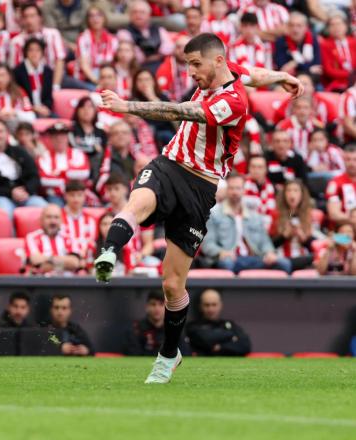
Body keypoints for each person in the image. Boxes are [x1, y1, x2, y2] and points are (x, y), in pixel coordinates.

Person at [93, 33, 302, 383]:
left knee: (173, 285)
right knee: (138, 200)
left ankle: (168, 355)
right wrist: (281, 76)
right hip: (169, 164)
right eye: (187, 64)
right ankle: (109, 252)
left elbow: (180, 110)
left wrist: (127, 106)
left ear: (217, 61)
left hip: (201, 187)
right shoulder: (231, 69)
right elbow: (255, 72)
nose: (190, 72)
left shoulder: (233, 101)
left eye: (195, 64)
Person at [203, 173, 292, 274]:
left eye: (238, 188)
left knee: (284, 264)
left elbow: (265, 242)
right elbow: (208, 244)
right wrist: (221, 252)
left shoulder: (254, 216)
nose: (235, 192)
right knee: (227, 264)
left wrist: (269, 253)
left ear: (244, 190)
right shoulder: (214, 214)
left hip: (254, 258)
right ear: (227, 190)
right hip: (230, 258)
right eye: (231, 188)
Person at [0, 119, 46, 219]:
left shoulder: (19, 151)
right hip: (1, 196)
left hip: (25, 194)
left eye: (1, 131)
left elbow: (34, 176)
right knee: (5, 214)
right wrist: (10, 192)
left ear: (7, 133)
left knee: (44, 208)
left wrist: (26, 190)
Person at [9, 4, 69, 91]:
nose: (29, 20)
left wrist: (55, 86)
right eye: (25, 17)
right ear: (22, 20)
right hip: (28, 84)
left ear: (40, 17)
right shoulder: (16, 42)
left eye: (32, 16)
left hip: (56, 78)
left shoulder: (53, 34)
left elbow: (60, 61)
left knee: (89, 90)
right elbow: (16, 70)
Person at [37, 122, 90, 206]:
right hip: (55, 196)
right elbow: (43, 179)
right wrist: (68, 177)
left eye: (62, 135)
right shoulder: (44, 156)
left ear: (67, 137)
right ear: (50, 138)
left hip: (76, 194)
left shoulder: (78, 154)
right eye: (55, 136)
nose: (59, 139)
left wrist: (61, 173)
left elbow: (84, 172)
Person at [186, 289, 252, 356]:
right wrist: (231, 336)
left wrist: (220, 347)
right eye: (207, 305)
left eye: (214, 305)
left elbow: (245, 345)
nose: (210, 309)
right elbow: (207, 340)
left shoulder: (230, 325)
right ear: (200, 306)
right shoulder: (192, 326)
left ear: (220, 305)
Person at [25, 204, 84, 275]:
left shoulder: (70, 237)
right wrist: (65, 263)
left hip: (68, 283)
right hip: (41, 282)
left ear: (61, 220)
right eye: (48, 217)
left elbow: (74, 263)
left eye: (56, 217)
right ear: (41, 219)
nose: (53, 221)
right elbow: (35, 260)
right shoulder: (32, 237)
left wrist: (47, 260)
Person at [270, 180, 315, 272]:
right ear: (284, 194)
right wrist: (284, 236)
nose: (292, 194)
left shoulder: (310, 215)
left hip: (304, 258)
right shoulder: (275, 215)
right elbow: (269, 245)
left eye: (295, 190)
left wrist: (303, 237)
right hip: (282, 259)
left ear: (302, 194)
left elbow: (315, 246)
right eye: (288, 190)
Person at [118, 0, 173, 73]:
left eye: (142, 12)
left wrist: (149, 56)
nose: (138, 15)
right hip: (137, 70)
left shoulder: (159, 30)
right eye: (135, 12)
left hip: (161, 67)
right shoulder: (124, 33)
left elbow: (169, 48)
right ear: (130, 16)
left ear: (149, 15)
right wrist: (157, 55)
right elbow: (136, 57)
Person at [131, 68, 175, 148]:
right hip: (146, 135)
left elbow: (170, 117)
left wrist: (152, 97)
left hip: (166, 134)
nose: (144, 83)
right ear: (135, 84)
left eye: (147, 79)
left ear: (153, 81)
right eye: (140, 80)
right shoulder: (133, 101)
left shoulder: (162, 97)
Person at [74, 6, 118, 86]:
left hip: (108, 78)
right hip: (87, 79)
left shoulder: (113, 39)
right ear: (87, 20)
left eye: (99, 15)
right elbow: (84, 66)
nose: (95, 19)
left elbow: (115, 64)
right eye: (91, 16)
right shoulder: (83, 38)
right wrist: (98, 82)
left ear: (104, 18)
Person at [14, 38, 54, 118]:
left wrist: (45, 107)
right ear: (25, 52)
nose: (34, 53)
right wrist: (33, 108)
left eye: (38, 50)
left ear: (42, 53)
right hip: (27, 111)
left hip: (43, 110)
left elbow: (49, 97)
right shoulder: (18, 71)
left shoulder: (47, 71)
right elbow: (18, 95)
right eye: (31, 50)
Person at [273, 12, 321, 78]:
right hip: (289, 79)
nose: (295, 29)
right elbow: (282, 67)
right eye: (291, 25)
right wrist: (309, 68)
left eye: (299, 26)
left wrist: (294, 63)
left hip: (311, 79)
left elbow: (317, 66)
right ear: (287, 27)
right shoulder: (281, 41)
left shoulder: (313, 39)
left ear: (306, 27)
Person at [275, 95, 323, 160]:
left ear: (311, 110)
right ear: (293, 110)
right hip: (291, 162)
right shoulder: (283, 126)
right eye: (299, 108)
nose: (302, 111)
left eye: (306, 108)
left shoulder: (317, 126)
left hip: (313, 162)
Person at [320, 11, 356, 92]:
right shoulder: (325, 45)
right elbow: (328, 70)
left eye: (339, 24)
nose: (336, 27)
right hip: (337, 84)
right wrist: (350, 75)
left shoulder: (354, 42)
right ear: (328, 28)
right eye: (332, 25)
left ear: (346, 25)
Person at [125, 291, 169, 356]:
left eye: (161, 304)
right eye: (153, 304)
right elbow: (133, 355)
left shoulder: (174, 329)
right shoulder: (136, 329)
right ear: (147, 307)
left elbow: (184, 354)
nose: (157, 308)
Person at [155, 35, 194, 103]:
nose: (182, 50)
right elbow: (162, 92)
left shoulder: (196, 66)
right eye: (179, 47)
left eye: (186, 47)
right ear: (173, 49)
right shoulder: (165, 67)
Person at [69, 96, 107, 162]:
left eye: (90, 107)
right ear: (77, 110)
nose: (86, 110)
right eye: (82, 106)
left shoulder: (101, 132)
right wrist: (94, 149)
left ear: (95, 111)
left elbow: (105, 153)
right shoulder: (70, 130)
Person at [62, 180, 98, 250]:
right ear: (65, 196)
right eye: (72, 195)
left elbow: (94, 243)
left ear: (84, 196)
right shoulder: (57, 218)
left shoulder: (91, 220)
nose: (76, 199)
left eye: (79, 195)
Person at [326, 146, 356, 226]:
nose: (351, 163)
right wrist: (352, 219)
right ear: (343, 160)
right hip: (344, 225)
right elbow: (334, 214)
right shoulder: (335, 183)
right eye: (348, 159)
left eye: (354, 159)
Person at [243, 155, 275, 230]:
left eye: (260, 167)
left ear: (266, 169)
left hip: (266, 227)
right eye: (253, 167)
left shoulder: (271, 188)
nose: (256, 170)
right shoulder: (242, 185)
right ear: (249, 168)